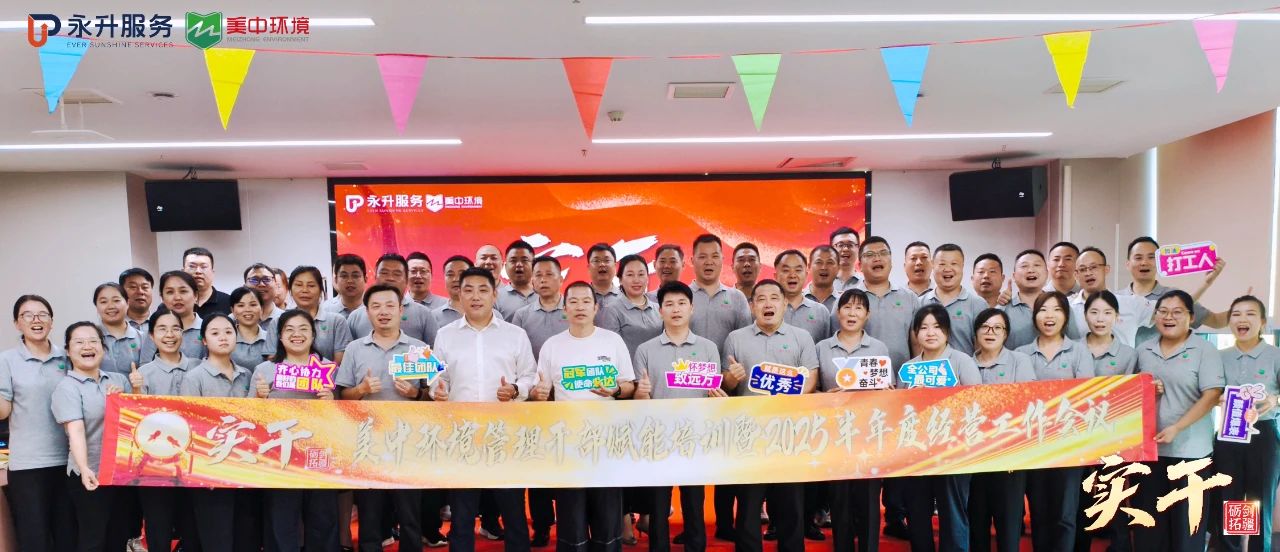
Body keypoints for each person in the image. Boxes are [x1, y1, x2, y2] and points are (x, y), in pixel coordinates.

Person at [429, 267, 537, 552]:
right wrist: (437, 390)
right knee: (462, 512)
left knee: (513, 510)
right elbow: (437, 378)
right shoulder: (445, 335)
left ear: (495, 294)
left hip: (504, 434)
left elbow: (530, 376)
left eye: (482, 290)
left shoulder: (515, 335)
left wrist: (515, 389)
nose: (475, 296)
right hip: (462, 434)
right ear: (459, 295)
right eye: (468, 290)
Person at [530, 281, 636, 551]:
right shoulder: (552, 346)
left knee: (607, 516)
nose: (580, 307)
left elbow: (629, 385)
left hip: (606, 443)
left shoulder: (612, 341)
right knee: (572, 517)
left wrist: (616, 390)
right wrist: (538, 393)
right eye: (573, 302)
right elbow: (540, 391)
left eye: (586, 301)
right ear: (564, 309)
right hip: (568, 445)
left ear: (596, 307)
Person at [720, 279, 819, 552]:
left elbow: (811, 377)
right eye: (761, 299)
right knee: (749, 503)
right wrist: (732, 377)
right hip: (749, 433)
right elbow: (726, 385)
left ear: (785, 304)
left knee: (791, 503)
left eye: (774, 298)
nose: (768, 304)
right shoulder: (735, 338)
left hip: (789, 431)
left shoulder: (801, 337)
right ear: (752, 306)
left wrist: (793, 394)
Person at [632, 281, 726, 552]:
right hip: (657, 437)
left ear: (691, 308)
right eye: (669, 304)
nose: (676, 309)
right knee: (658, 504)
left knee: (694, 502)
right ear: (660, 310)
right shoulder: (645, 350)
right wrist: (640, 394)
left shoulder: (707, 348)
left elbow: (712, 395)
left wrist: (719, 399)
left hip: (695, 436)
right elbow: (640, 402)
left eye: (682, 303)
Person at [336, 284, 428, 552]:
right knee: (370, 514)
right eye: (376, 306)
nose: (383, 312)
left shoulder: (419, 348)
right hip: (369, 443)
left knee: (410, 514)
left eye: (390, 306)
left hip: (408, 442)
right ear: (367, 312)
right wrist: (361, 390)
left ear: (401, 310)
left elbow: (434, 398)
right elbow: (342, 396)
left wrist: (415, 393)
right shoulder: (355, 349)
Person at [1131, 290, 1225, 552]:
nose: (1168, 317)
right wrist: (1146, 390)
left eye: (1177, 312)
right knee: (1150, 528)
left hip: (1191, 453)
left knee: (1187, 530)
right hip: (1150, 453)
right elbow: (1129, 392)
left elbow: (1212, 395)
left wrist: (1177, 427)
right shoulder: (1143, 350)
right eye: (1163, 311)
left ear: (1191, 317)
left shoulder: (1205, 350)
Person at [249, 309, 341, 552]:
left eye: (303, 329)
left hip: (319, 452)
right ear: (280, 336)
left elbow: (344, 416)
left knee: (322, 518)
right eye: (289, 329)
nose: (296, 334)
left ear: (313, 335)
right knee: (281, 519)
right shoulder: (265, 370)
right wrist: (259, 398)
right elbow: (249, 417)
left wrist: (332, 401)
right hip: (280, 455)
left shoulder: (328, 368)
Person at [847, 236, 918, 538]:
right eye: (870, 254)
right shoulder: (849, 297)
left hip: (898, 390)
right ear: (860, 262)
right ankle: (858, 516)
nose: (877, 258)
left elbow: (917, 342)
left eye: (882, 253)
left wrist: (913, 382)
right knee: (862, 455)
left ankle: (895, 515)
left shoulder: (908, 298)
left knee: (896, 453)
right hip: (858, 394)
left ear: (891, 260)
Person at [1015, 291, 1094, 552]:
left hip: (1069, 443)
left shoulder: (1079, 351)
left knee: (1065, 514)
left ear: (1066, 316)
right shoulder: (1021, 354)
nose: (1049, 316)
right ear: (1034, 316)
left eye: (1056, 310)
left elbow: (1085, 395)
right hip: (1033, 444)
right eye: (1043, 310)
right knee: (1039, 511)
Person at [900, 304, 982, 552]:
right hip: (917, 451)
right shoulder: (909, 367)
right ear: (916, 333)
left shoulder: (962, 361)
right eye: (923, 327)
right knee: (917, 510)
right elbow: (899, 411)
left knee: (952, 509)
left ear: (947, 331)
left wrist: (941, 396)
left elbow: (977, 402)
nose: (930, 332)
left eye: (937, 326)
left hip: (954, 450)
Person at [689, 233, 752, 541]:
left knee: (729, 460)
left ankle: (727, 524)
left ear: (723, 260)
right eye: (702, 256)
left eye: (715, 255)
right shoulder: (683, 296)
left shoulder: (737, 298)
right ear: (692, 261)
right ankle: (693, 527)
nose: (709, 261)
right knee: (693, 462)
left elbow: (745, 340)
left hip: (730, 389)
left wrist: (733, 377)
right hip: (690, 388)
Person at [0, 295, 76, 552]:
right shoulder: (6, 360)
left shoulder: (67, 356)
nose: (36, 320)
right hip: (28, 465)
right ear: (17, 323)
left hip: (69, 461)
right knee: (35, 539)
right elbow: (3, 411)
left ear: (51, 322)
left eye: (42, 314)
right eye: (27, 315)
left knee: (68, 536)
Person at [817, 288, 890, 552]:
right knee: (840, 500)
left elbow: (888, 392)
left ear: (867, 315)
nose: (852, 313)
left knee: (869, 500)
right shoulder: (822, 348)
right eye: (847, 307)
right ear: (838, 313)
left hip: (869, 435)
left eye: (859, 308)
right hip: (835, 435)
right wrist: (826, 397)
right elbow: (812, 392)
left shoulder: (878, 348)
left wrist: (886, 392)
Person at [52, 322, 133, 552]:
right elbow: (75, 431)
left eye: (93, 341)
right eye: (79, 342)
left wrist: (124, 398)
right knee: (93, 539)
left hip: (120, 473)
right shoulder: (67, 387)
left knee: (119, 535)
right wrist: (84, 467)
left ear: (103, 348)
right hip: (90, 474)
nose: (87, 346)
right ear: (68, 351)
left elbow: (136, 422)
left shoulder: (118, 381)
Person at [180, 314, 257, 552]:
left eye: (228, 332)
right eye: (215, 333)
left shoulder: (247, 374)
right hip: (211, 470)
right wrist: (204, 472)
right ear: (204, 340)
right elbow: (190, 427)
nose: (223, 337)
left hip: (245, 469)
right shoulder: (194, 378)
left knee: (246, 536)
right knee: (217, 538)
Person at [510, 256, 568, 547]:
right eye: (539, 275)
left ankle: (571, 524)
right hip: (535, 400)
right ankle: (542, 525)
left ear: (561, 278)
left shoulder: (573, 309)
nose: (543, 280)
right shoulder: (521, 316)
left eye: (549, 274)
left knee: (568, 463)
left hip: (571, 399)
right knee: (539, 465)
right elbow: (516, 358)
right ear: (532, 281)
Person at [131, 310, 200, 552]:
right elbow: (137, 421)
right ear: (151, 336)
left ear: (183, 333)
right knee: (158, 526)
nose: (169, 334)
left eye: (175, 329)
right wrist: (136, 392)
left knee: (193, 527)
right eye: (162, 329)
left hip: (194, 464)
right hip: (155, 466)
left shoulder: (199, 367)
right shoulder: (142, 374)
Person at [1213, 295, 1279, 552]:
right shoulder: (1219, 356)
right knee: (1232, 499)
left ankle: (1258, 549)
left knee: (1259, 499)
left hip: (1263, 434)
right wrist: (1216, 398)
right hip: (1230, 433)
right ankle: (1231, 548)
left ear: (1262, 322)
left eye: (1250, 314)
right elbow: (1208, 392)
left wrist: (1275, 399)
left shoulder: (1275, 355)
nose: (1242, 319)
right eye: (1236, 314)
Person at [1074, 290, 1138, 552]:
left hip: (1113, 437)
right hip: (1076, 438)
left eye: (1107, 313)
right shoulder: (1072, 348)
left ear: (1117, 317)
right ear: (1085, 315)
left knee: (1114, 497)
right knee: (1079, 501)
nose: (1100, 319)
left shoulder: (1128, 354)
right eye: (1094, 312)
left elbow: (1132, 397)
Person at [968, 308, 1036, 552]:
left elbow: (1026, 402)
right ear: (976, 332)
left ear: (1006, 334)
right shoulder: (965, 363)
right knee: (976, 522)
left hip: (1010, 455)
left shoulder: (1020, 361)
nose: (991, 332)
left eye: (998, 328)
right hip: (973, 457)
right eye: (985, 327)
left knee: (1008, 525)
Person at [1119, 236, 1229, 345]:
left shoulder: (1174, 296)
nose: (1144, 262)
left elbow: (1216, 321)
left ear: (1160, 262)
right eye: (1138, 258)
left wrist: (1240, 309)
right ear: (1128, 264)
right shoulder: (1116, 299)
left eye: (1151, 257)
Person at [346, 253, 440, 346]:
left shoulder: (424, 314)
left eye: (397, 274)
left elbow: (435, 350)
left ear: (406, 280)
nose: (390, 278)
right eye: (384, 273)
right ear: (375, 277)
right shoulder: (355, 317)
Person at [1003, 249, 1083, 350]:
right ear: (1014, 276)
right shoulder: (1003, 309)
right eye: (1024, 266)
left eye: (1037, 265)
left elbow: (1074, 343)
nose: (1031, 270)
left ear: (1046, 273)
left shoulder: (1062, 305)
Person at [1068, 247, 1145, 346]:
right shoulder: (1067, 306)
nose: (1088, 273)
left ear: (1106, 269)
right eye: (1082, 269)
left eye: (1094, 267)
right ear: (1076, 275)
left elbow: (1163, 311)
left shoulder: (1131, 303)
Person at [921, 244, 987, 355]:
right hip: (928, 366)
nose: (947, 269)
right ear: (932, 265)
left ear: (962, 266)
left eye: (954, 263)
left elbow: (983, 349)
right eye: (942, 264)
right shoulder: (920, 303)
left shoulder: (978, 304)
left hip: (965, 366)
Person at [598, 254, 663, 356]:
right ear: (620, 279)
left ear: (647, 277)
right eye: (630, 275)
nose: (636, 280)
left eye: (641, 274)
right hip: (629, 366)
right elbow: (611, 350)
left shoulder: (659, 308)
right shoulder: (611, 310)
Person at [289, 265, 352, 365]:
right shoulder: (279, 321)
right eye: (299, 285)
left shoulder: (336, 321)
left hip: (329, 375)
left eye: (311, 285)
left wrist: (316, 374)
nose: (304, 290)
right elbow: (275, 360)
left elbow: (340, 362)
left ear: (320, 290)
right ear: (290, 290)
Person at [139, 271, 207, 362]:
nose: (177, 297)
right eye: (170, 292)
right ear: (162, 298)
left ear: (195, 295)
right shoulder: (156, 329)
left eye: (183, 291)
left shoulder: (207, 328)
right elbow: (145, 363)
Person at [775, 249, 833, 348]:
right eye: (786, 270)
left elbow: (826, 349)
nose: (792, 275)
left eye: (798, 270)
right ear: (775, 276)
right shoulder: (767, 310)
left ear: (806, 275)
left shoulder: (821, 312)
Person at [93, 282, 142, 376]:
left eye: (116, 300)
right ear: (97, 307)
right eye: (103, 302)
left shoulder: (142, 338)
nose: (111, 306)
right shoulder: (89, 338)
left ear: (127, 303)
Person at [229, 286, 275, 370]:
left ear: (261, 309)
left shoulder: (272, 340)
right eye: (241, 305)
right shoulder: (226, 339)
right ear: (233, 311)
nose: (247, 309)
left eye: (253, 305)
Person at [182, 247, 231, 317]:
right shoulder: (175, 303)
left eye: (204, 267)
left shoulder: (229, 302)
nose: (198, 271)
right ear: (183, 272)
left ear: (212, 272)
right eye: (192, 266)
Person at [496, 240, 537, 320]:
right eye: (513, 261)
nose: (519, 264)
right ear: (505, 266)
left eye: (524, 260)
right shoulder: (495, 298)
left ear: (534, 265)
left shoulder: (546, 294)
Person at [323, 253, 368, 318]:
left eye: (355, 276)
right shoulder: (325, 310)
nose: (350, 281)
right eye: (344, 276)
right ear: (336, 280)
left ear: (365, 279)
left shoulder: (373, 309)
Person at [244, 263, 284, 334]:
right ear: (245, 286)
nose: (261, 284)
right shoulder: (234, 319)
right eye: (254, 280)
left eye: (266, 279)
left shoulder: (286, 318)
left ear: (275, 284)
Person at [436, 255, 476, 325]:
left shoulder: (491, 314)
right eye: (450, 275)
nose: (456, 279)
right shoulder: (434, 317)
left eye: (462, 274)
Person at [804, 245, 840, 312]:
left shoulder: (844, 302)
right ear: (809, 267)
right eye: (819, 262)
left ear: (838, 268)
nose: (824, 267)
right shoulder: (796, 300)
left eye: (830, 263)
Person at [118, 267, 155, 333]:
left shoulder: (162, 323)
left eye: (145, 287)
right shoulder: (113, 324)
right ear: (121, 292)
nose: (140, 292)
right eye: (133, 287)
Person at [829, 226, 862, 294]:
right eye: (840, 245)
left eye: (850, 245)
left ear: (858, 248)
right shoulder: (821, 283)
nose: (845, 249)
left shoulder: (867, 283)